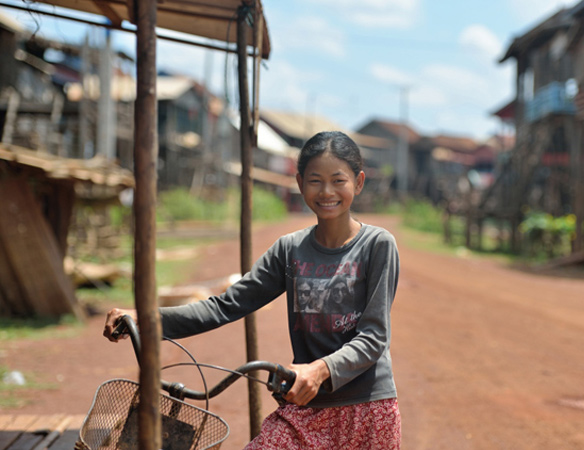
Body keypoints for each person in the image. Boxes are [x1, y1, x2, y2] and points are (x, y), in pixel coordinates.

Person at [103, 131, 402, 449]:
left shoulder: (376, 245)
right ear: (300, 184)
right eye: (315, 180)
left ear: (358, 182)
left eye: (338, 180)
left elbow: (373, 337)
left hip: (368, 409)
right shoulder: (290, 250)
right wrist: (145, 320)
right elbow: (223, 306)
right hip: (306, 406)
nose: (326, 191)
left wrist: (320, 369)